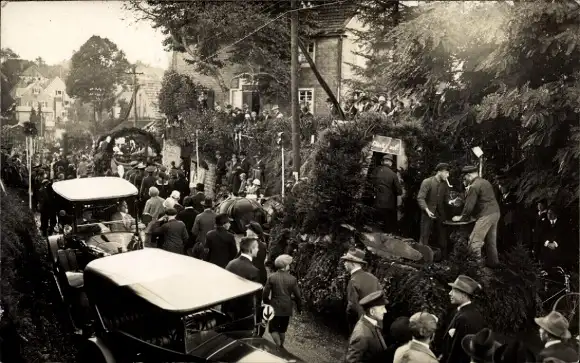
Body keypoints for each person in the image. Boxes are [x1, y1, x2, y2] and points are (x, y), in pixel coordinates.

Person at [452, 165, 501, 268]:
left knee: (474, 243)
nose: (465, 180)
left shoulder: (474, 186)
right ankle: (495, 266)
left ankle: (476, 270)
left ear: (469, 175)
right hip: (495, 213)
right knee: (491, 242)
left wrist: (461, 217)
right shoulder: (485, 182)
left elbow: (469, 207)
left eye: (465, 178)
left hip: (486, 215)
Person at [440, 275, 485, 363]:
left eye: (454, 290)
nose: (450, 293)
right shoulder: (457, 311)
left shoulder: (466, 318)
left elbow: (461, 353)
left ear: (464, 295)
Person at [262, 254, 302, 349]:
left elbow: (265, 294)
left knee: (272, 330)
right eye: (289, 264)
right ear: (285, 266)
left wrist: (268, 303)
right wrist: (299, 308)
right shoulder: (292, 279)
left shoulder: (272, 277)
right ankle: (281, 346)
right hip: (287, 308)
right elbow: (298, 296)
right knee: (282, 330)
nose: (290, 266)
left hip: (275, 306)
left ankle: (279, 347)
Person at [341, 248, 383, 332]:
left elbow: (352, 308)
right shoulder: (373, 278)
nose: (344, 263)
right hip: (376, 324)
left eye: (346, 261)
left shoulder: (353, 281)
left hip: (360, 327)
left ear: (352, 263)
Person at [417, 162, 451, 258]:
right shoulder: (427, 182)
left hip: (440, 214)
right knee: (424, 236)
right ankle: (422, 258)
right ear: (440, 172)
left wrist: (451, 201)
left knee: (442, 237)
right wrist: (427, 210)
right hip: (427, 213)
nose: (448, 175)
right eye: (446, 173)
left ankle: (443, 259)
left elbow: (446, 199)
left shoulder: (445, 184)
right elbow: (420, 198)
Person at [345, 290, 388, 363]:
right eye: (382, 308)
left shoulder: (371, 324)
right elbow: (351, 361)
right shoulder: (362, 335)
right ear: (372, 312)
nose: (385, 311)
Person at [224, 237, 260, 321]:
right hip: (243, 313)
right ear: (251, 249)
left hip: (227, 308)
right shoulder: (254, 271)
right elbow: (254, 298)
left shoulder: (231, 263)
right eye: (257, 247)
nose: (258, 250)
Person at [371, 154, 402, 233]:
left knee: (375, 224)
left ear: (382, 162)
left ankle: (374, 240)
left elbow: (371, 183)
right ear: (390, 163)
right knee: (387, 226)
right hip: (388, 204)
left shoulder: (375, 171)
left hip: (376, 202)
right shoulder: (393, 174)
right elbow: (399, 191)